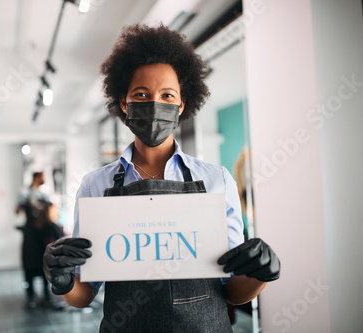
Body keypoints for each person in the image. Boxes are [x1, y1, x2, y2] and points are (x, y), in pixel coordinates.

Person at [43, 24, 280, 332]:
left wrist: (260, 274)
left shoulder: (217, 180)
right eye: (141, 94)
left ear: (181, 104)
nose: (155, 104)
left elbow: (233, 292)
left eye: (167, 95)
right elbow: (85, 293)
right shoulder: (96, 185)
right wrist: (62, 281)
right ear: (125, 103)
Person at [16, 172, 52, 308]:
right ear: (36, 178)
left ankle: (46, 295)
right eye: (43, 176)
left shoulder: (44, 194)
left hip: (41, 234)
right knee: (29, 263)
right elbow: (17, 210)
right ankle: (30, 295)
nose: (44, 179)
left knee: (44, 262)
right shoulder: (24, 193)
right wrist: (27, 203)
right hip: (30, 234)